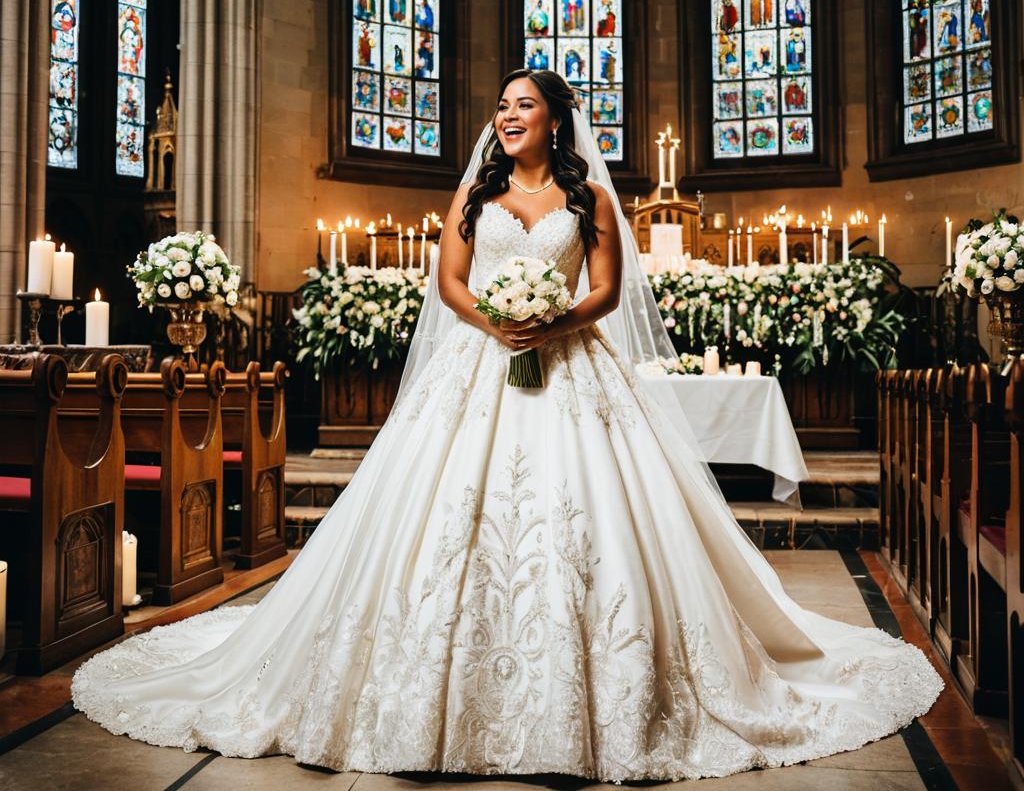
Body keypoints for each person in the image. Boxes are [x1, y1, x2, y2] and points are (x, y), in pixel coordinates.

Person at [71, 69, 942, 781]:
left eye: (525, 105)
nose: (508, 116)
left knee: (595, 519)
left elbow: (605, 289)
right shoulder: (476, 196)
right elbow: (449, 282)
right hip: (477, 365)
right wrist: (495, 320)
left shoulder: (591, 199)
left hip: (571, 367)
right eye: (502, 106)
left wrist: (556, 320)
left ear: (558, 121)